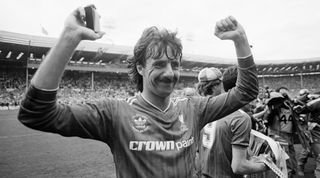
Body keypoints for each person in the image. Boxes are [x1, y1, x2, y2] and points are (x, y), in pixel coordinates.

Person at [17, 5, 258, 178]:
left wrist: (240, 39)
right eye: (159, 64)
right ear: (140, 67)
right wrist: (69, 38)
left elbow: (246, 91)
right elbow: (36, 113)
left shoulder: (193, 108)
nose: (169, 72)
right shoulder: (114, 113)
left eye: (174, 64)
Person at [196, 66, 267, 178]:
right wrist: (266, 165)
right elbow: (239, 166)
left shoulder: (194, 111)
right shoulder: (239, 117)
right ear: (218, 85)